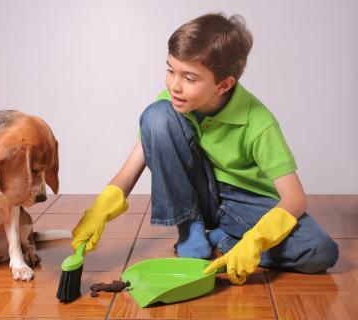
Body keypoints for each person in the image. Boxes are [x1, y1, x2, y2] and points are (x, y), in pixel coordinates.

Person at [71, 12, 339, 285]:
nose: (174, 85)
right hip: (198, 197)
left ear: (223, 85)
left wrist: (255, 242)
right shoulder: (170, 105)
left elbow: (294, 199)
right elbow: (130, 170)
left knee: (321, 251)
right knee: (156, 115)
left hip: (245, 204)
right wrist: (99, 211)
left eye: (189, 77)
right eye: (170, 70)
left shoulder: (259, 122)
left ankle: (222, 238)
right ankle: (190, 232)